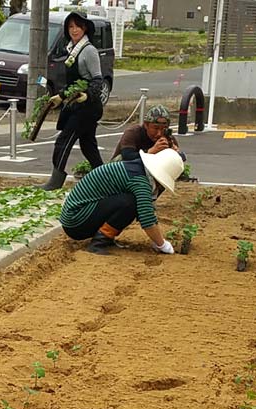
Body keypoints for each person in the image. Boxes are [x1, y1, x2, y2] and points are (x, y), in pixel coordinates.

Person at [60, 149, 184, 255]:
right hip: (76, 221)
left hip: (77, 216)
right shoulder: (139, 180)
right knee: (130, 202)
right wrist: (162, 245)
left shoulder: (135, 169)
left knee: (131, 201)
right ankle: (99, 242)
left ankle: (105, 238)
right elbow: (147, 217)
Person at [39, 12, 105, 192]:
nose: (74, 30)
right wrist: (61, 96)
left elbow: (98, 80)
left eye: (77, 26)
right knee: (88, 144)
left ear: (85, 28)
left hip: (87, 107)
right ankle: (106, 179)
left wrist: (87, 95)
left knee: (64, 140)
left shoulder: (89, 50)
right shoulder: (71, 49)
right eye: (70, 27)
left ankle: (56, 180)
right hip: (76, 104)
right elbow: (72, 83)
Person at [111, 105, 182, 162]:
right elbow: (127, 156)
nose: (159, 133)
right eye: (156, 128)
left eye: (163, 129)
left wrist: (175, 153)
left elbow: (182, 158)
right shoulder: (133, 132)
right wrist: (150, 152)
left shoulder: (168, 137)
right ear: (146, 125)